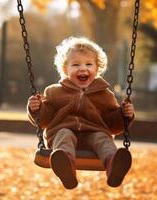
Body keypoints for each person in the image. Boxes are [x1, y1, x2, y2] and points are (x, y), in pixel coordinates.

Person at [27, 37, 134, 189]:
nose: (82, 68)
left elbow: (113, 125)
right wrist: (37, 108)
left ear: (97, 70)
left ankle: (113, 165)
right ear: (65, 70)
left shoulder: (105, 95)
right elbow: (44, 120)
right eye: (76, 64)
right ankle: (65, 166)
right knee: (64, 134)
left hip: (94, 133)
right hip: (62, 132)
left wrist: (124, 115)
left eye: (89, 64)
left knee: (103, 139)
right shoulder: (54, 92)